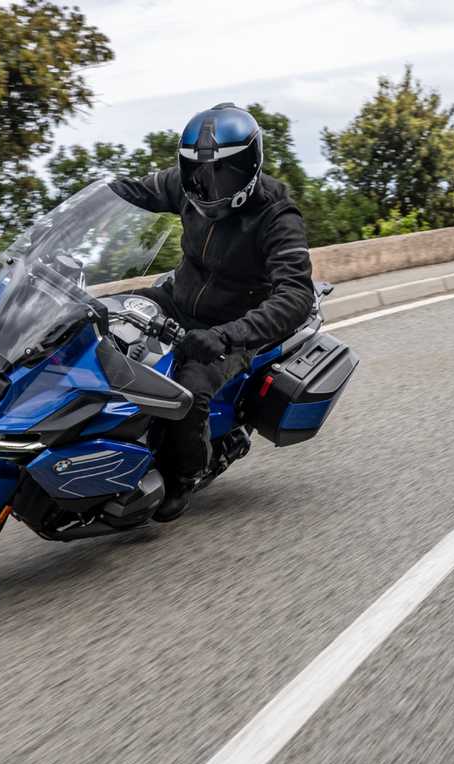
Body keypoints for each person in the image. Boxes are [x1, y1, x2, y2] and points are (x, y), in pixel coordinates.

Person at [109, 103, 316, 522]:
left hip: (232, 326)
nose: (211, 183)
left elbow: (296, 293)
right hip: (177, 299)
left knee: (188, 389)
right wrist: (97, 194)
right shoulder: (189, 188)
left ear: (251, 162)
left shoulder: (277, 215)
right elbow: (135, 192)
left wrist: (227, 336)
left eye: (227, 171)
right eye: (200, 171)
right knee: (104, 322)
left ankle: (182, 475)